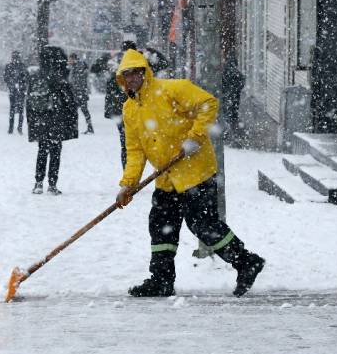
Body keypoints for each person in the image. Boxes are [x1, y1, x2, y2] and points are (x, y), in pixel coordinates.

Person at [113, 49, 265, 298]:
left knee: (203, 225)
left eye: (135, 73)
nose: (131, 78)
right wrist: (128, 184)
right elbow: (135, 150)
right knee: (161, 226)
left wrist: (195, 137)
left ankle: (246, 262)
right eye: (126, 74)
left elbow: (208, 103)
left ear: (145, 72)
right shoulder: (130, 109)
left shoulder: (172, 89)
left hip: (195, 173)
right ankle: (161, 280)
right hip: (166, 179)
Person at [26, 45, 78, 195]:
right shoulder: (60, 78)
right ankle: (52, 184)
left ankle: (38, 182)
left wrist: (31, 120)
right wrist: (71, 120)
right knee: (55, 151)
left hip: (40, 120)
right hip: (56, 119)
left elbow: (29, 101)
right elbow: (70, 102)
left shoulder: (36, 76)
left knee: (42, 150)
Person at [67, 52, 94, 134]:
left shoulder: (78, 66)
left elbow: (77, 81)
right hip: (78, 92)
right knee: (82, 110)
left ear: (74, 59)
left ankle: (88, 128)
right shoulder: (76, 66)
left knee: (81, 110)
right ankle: (88, 128)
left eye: (70, 60)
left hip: (79, 92)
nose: (69, 61)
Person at [221, 59, 246, 143]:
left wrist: (226, 92)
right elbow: (242, 83)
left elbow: (222, 85)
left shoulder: (224, 73)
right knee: (233, 116)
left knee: (225, 114)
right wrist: (235, 91)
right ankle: (235, 135)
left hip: (226, 97)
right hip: (235, 98)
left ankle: (225, 134)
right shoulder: (238, 74)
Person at [3, 51, 28, 134]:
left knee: (16, 109)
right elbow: (6, 77)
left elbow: (26, 77)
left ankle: (15, 128)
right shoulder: (19, 66)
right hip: (15, 90)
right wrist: (14, 84)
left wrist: (17, 84)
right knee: (16, 109)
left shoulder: (20, 66)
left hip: (18, 90)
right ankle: (15, 128)